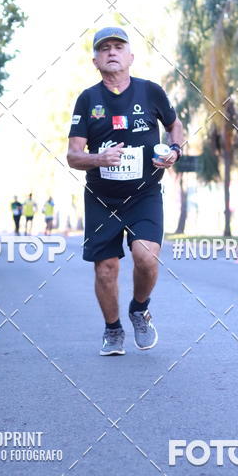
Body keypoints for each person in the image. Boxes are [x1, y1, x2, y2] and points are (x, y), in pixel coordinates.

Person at [67, 26, 183, 356]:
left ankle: (139, 309)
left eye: (118, 47)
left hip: (144, 194)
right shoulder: (88, 99)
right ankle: (113, 329)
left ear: (131, 56)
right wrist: (98, 158)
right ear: (95, 61)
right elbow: (73, 155)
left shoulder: (150, 92)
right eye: (104, 49)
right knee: (106, 269)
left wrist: (174, 150)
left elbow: (174, 125)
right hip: (101, 199)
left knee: (146, 257)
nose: (112, 52)